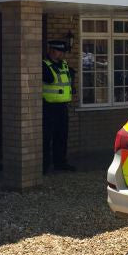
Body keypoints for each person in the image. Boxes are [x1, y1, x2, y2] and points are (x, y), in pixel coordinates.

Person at [42, 40, 76, 172]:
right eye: (59, 51)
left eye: (62, 52)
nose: (61, 54)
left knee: (61, 136)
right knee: (46, 137)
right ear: (51, 50)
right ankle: (44, 165)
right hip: (48, 107)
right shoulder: (44, 65)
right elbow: (50, 80)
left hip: (62, 107)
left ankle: (60, 162)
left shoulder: (64, 65)